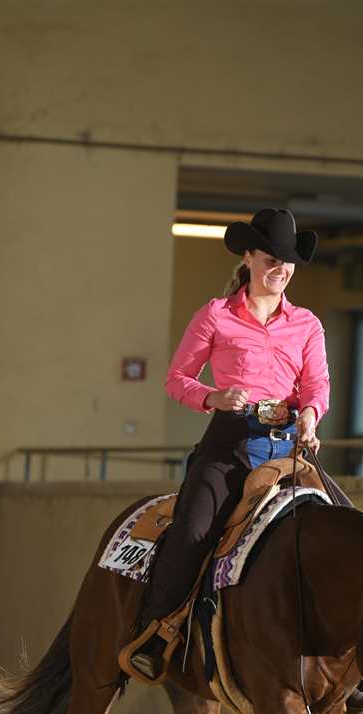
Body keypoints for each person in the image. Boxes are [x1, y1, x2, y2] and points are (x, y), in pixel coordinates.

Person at [128, 208, 331, 680]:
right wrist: (213, 397)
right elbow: (177, 379)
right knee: (193, 532)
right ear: (249, 257)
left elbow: (316, 384)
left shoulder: (307, 324)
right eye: (271, 259)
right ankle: (158, 632)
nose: (280, 269)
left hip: (288, 448)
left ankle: (342, 663)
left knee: (341, 524)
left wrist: (309, 414)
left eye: (287, 262)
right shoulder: (215, 315)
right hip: (229, 446)